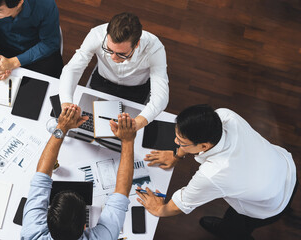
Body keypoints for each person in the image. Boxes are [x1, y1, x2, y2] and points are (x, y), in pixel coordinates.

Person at [138, 104, 297, 240]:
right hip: (286, 169)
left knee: (234, 229)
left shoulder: (213, 174)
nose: (175, 142)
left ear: (204, 146)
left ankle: (228, 232)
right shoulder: (225, 116)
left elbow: (179, 205)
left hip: (270, 203)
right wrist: (177, 155)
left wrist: (159, 209)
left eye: (181, 142)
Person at [21, 105, 137, 240]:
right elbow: (121, 193)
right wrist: (128, 141)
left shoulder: (32, 232)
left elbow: (41, 176)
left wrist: (61, 127)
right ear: (84, 226)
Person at [59, 12, 169, 131]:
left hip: (135, 90)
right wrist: (66, 104)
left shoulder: (154, 48)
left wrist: (137, 123)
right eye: (109, 50)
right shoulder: (97, 35)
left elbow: (160, 96)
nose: (113, 58)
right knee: (90, 128)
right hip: (102, 83)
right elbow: (72, 69)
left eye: (122, 54)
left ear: (136, 44)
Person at [0, 0, 63, 80]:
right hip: (2, 48)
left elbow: (49, 43)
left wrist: (13, 62)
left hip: (38, 52)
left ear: (19, 2)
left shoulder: (45, 5)